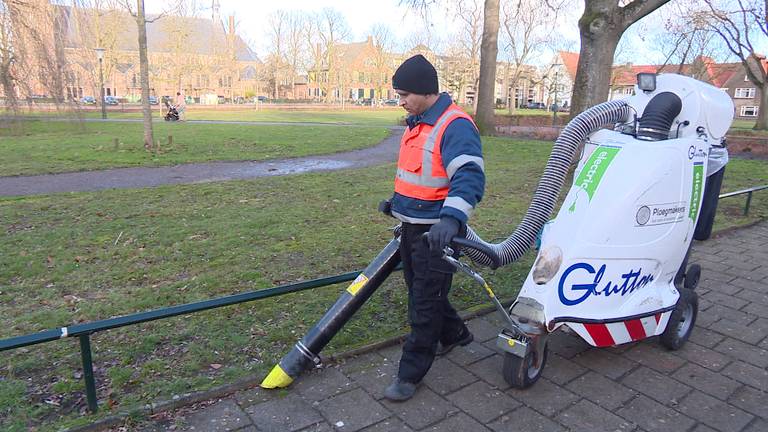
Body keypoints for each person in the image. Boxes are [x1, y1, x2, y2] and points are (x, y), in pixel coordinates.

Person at [380, 54, 485, 402]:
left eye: (405, 94)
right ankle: (455, 334)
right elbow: (419, 177)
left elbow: (469, 176)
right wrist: (396, 204)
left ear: (426, 91)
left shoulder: (454, 125)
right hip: (413, 227)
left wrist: (451, 219)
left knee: (423, 302)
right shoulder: (418, 121)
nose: (401, 101)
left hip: (437, 234)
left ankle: (410, 374)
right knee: (421, 289)